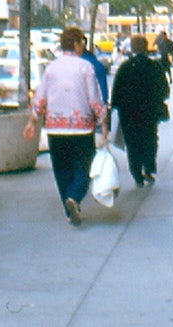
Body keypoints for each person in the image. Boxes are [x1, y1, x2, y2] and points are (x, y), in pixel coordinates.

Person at [25, 28, 109, 226]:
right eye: (81, 42)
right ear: (77, 44)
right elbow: (94, 99)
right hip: (81, 128)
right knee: (84, 166)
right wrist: (103, 121)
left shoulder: (51, 68)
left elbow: (40, 97)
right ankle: (74, 197)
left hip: (55, 128)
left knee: (61, 169)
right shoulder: (85, 67)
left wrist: (32, 120)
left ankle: (69, 211)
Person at [110, 35, 169, 187]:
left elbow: (116, 93)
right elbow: (164, 90)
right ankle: (149, 167)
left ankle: (136, 173)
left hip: (129, 113)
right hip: (149, 111)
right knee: (149, 139)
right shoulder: (154, 66)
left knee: (132, 142)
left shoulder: (125, 68)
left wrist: (115, 107)